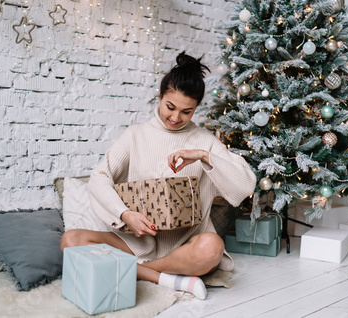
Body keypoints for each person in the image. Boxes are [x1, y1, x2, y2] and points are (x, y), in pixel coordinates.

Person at [60, 52, 256, 300]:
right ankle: (165, 278)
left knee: (212, 248)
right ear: (160, 96)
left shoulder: (205, 141)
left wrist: (205, 156)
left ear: (196, 108)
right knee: (72, 240)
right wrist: (125, 214)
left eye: (187, 112)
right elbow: (100, 177)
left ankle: (139, 272)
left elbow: (246, 184)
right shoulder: (136, 135)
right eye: (170, 107)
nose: (175, 118)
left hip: (187, 245)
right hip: (136, 242)